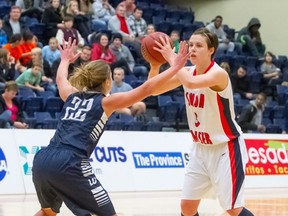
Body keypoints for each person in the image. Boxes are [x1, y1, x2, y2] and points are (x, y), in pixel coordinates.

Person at [31, 37, 189, 215]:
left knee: (47, 213)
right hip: (70, 162)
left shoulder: (71, 95)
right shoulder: (106, 102)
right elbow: (147, 89)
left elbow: (61, 79)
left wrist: (65, 60)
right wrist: (176, 67)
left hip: (43, 159)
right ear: (107, 82)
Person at [148, 27, 254, 216]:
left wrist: (172, 57)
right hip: (200, 149)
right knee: (187, 207)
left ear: (211, 50)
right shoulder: (187, 71)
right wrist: (155, 66)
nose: (193, 49)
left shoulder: (218, 74)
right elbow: (154, 90)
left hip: (225, 147)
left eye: (199, 45)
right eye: (190, 45)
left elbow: (190, 83)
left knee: (233, 209)